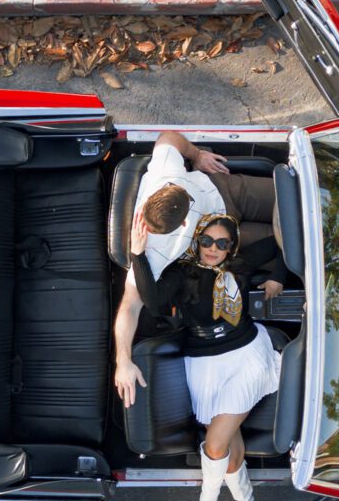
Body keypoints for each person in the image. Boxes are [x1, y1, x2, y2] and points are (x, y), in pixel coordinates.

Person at [129, 211, 286, 501]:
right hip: (204, 363)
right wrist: (138, 254)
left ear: (230, 247)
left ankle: (210, 493)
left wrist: (279, 276)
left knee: (215, 444)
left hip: (246, 353)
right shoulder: (183, 272)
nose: (212, 248)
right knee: (228, 439)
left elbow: (284, 245)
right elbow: (155, 303)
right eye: (206, 241)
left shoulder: (240, 265)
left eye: (221, 243)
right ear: (197, 240)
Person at [115, 130, 279, 409]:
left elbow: (167, 138)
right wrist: (123, 361)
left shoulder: (166, 175)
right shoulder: (154, 252)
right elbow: (131, 306)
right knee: (284, 237)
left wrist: (196, 155)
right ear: (182, 226)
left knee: (292, 202)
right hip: (215, 245)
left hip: (225, 194)